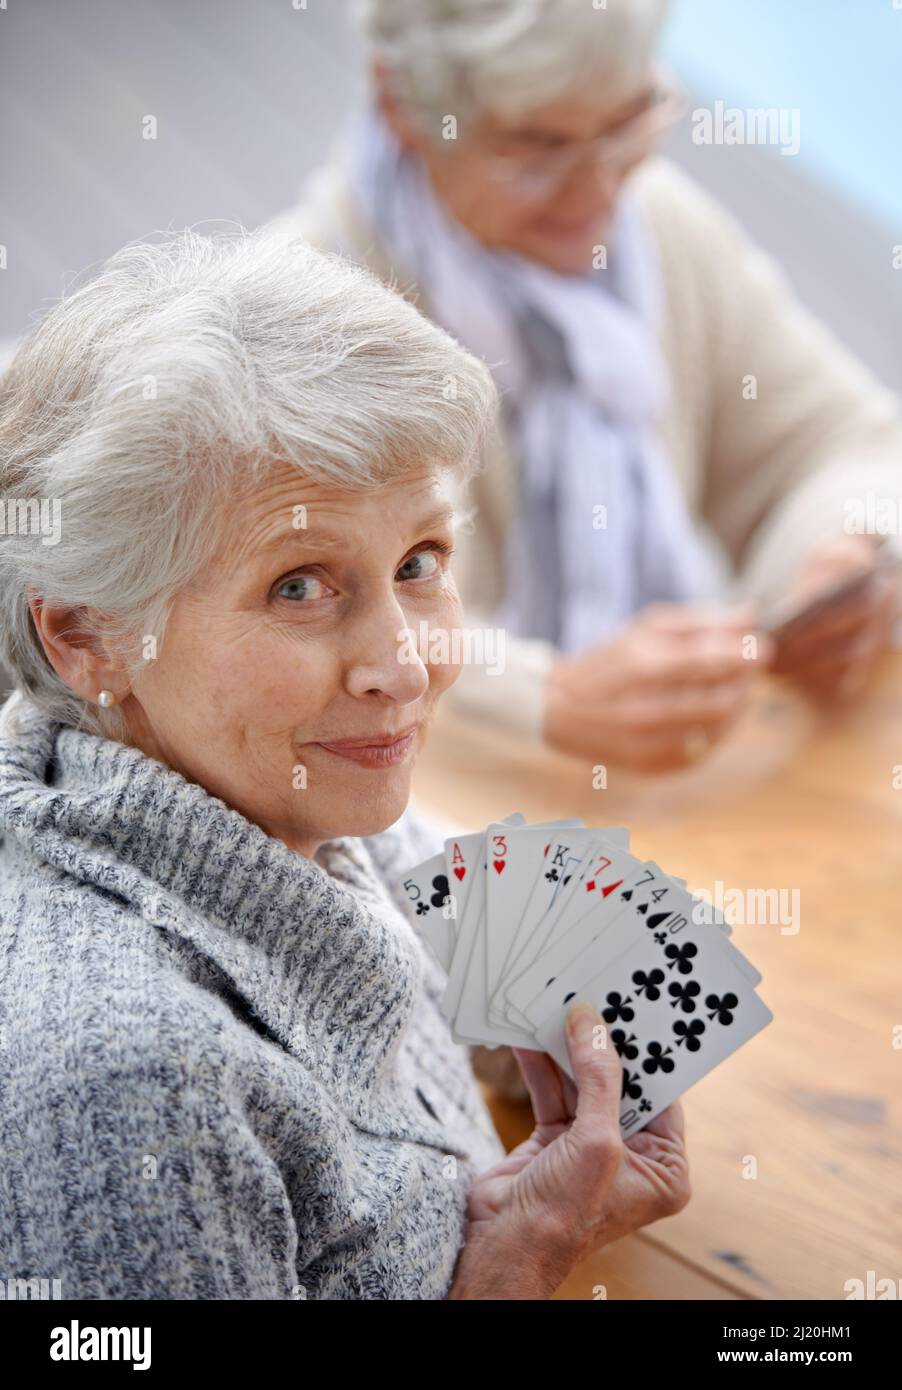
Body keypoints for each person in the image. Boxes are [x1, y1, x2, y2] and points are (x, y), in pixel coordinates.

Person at [0, 228, 689, 1300]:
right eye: (299, 585)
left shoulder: (265, 795)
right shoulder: (131, 1085)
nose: (403, 667)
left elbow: (567, 953)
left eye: (418, 562)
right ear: (86, 636)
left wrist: (604, 1032)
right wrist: (510, 1269)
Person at [268, 0, 902, 774]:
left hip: (680, 786)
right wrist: (548, 702)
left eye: (629, 126)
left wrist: (840, 558)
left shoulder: (659, 225)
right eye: (537, 148)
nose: (597, 193)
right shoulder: (294, 330)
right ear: (403, 104)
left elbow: (849, 445)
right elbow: (307, 639)